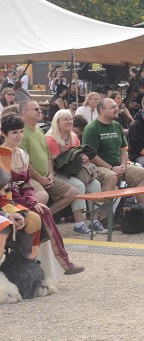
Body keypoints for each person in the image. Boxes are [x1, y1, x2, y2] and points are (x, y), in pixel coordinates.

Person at [1, 113, 84, 274]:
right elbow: (5, 189)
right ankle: (57, 264)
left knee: (44, 212)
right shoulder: (1, 155)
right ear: (3, 133)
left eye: (21, 131)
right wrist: (31, 203)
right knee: (41, 217)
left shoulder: (23, 154)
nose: (19, 136)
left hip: (21, 198)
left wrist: (32, 200)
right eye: (14, 132)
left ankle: (49, 267)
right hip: (5, 200)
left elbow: (26, 184)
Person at [82, 97, 144, 226]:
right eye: (113, 107)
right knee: (111, 177)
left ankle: (142, 214)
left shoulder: (116, 125)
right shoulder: (92, 128)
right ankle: (105, 218)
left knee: (142, 173)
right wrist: (111, 168)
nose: (116, 109)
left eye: (116, 106)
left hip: (119, 166)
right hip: (98, 167)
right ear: (102, 110)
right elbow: (91, 155)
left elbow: (123, 150)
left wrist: (123, 165)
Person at [46, 109, 106, 236]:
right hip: (59, 172)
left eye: (71, 119)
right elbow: (56, 161)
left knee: (95, 184)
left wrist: (84, 158)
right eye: (65, 119)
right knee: (78, 186)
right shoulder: (51, 139)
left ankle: (94, 220)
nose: (69, 121)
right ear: (57, 122)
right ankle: (79, 224)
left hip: (74, 171)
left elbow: (79, 153)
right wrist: (76, 157)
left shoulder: (74, 137)